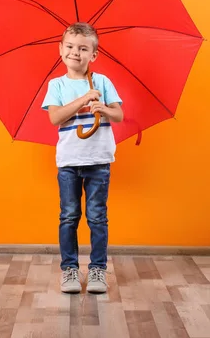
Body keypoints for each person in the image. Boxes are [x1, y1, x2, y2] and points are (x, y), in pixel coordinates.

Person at [42, 22, 123, 294]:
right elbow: (55, 117)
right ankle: (70, 270)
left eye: (83, 48)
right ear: (60, 50)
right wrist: (83, 99)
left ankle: (98, 269)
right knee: (69, 216)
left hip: (99, 161)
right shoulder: (57, 85)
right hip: (68, 164)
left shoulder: (102, 82)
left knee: (98, 217)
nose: (75, 52)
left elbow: (119, 115)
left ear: (93, 55)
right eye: (70, 46)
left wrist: (103, 108)